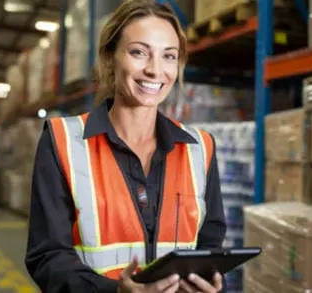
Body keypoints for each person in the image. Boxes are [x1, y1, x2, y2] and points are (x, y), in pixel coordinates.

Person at [24, 1, 227, 293]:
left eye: (168, 56)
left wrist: (208, 281)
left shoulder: (200, 148)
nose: (155, 70)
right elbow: (46, 257)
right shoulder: (62, 140)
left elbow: (209, 244)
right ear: (109, 57)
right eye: (139, 52)